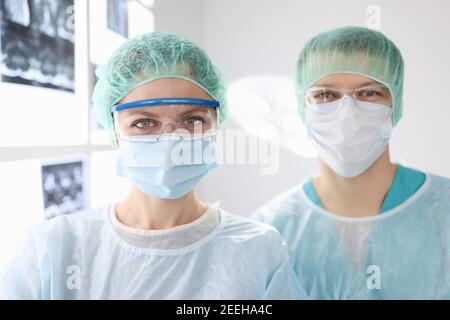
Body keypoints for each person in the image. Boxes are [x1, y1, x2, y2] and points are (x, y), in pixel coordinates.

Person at [0, 32, 306, 299]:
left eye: (193, 120)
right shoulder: (52, 249)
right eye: (144, 122)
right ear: (114, 132)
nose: (170, 139)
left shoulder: (258, 250)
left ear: (216, 127)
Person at [252, 26, 450, 299]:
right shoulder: (270, 230)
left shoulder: (444, 212)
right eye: (326, 95)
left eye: (368, 93)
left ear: (395, 103)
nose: (347, 112)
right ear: (302, 107)